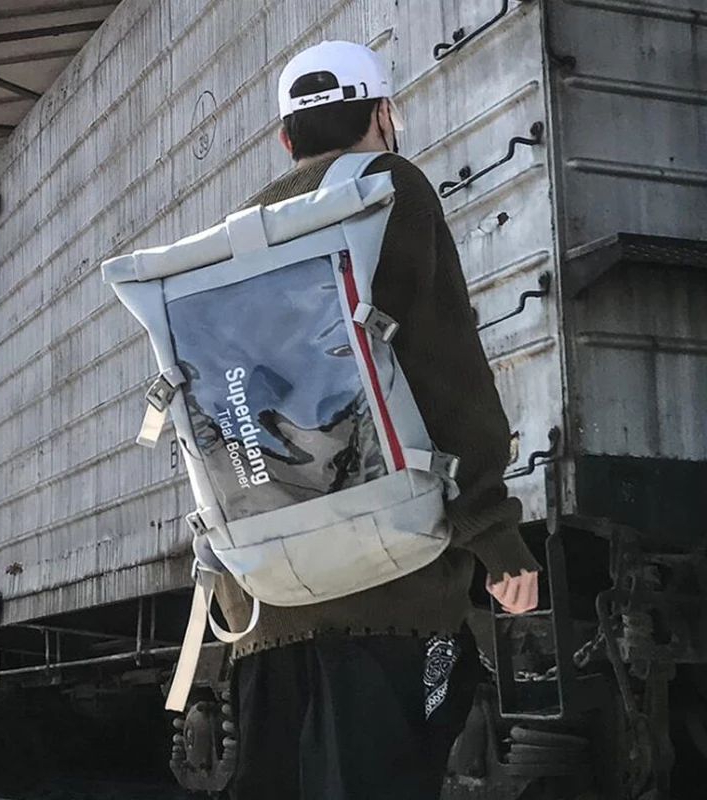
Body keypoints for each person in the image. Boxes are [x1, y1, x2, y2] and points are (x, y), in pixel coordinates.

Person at [214, 40, 541, 800]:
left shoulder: (243, 227)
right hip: (390, 589)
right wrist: (495, 535)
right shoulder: (390, 188)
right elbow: (441, 367)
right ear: (382, 115)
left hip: (266, 598)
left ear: (286, 138)